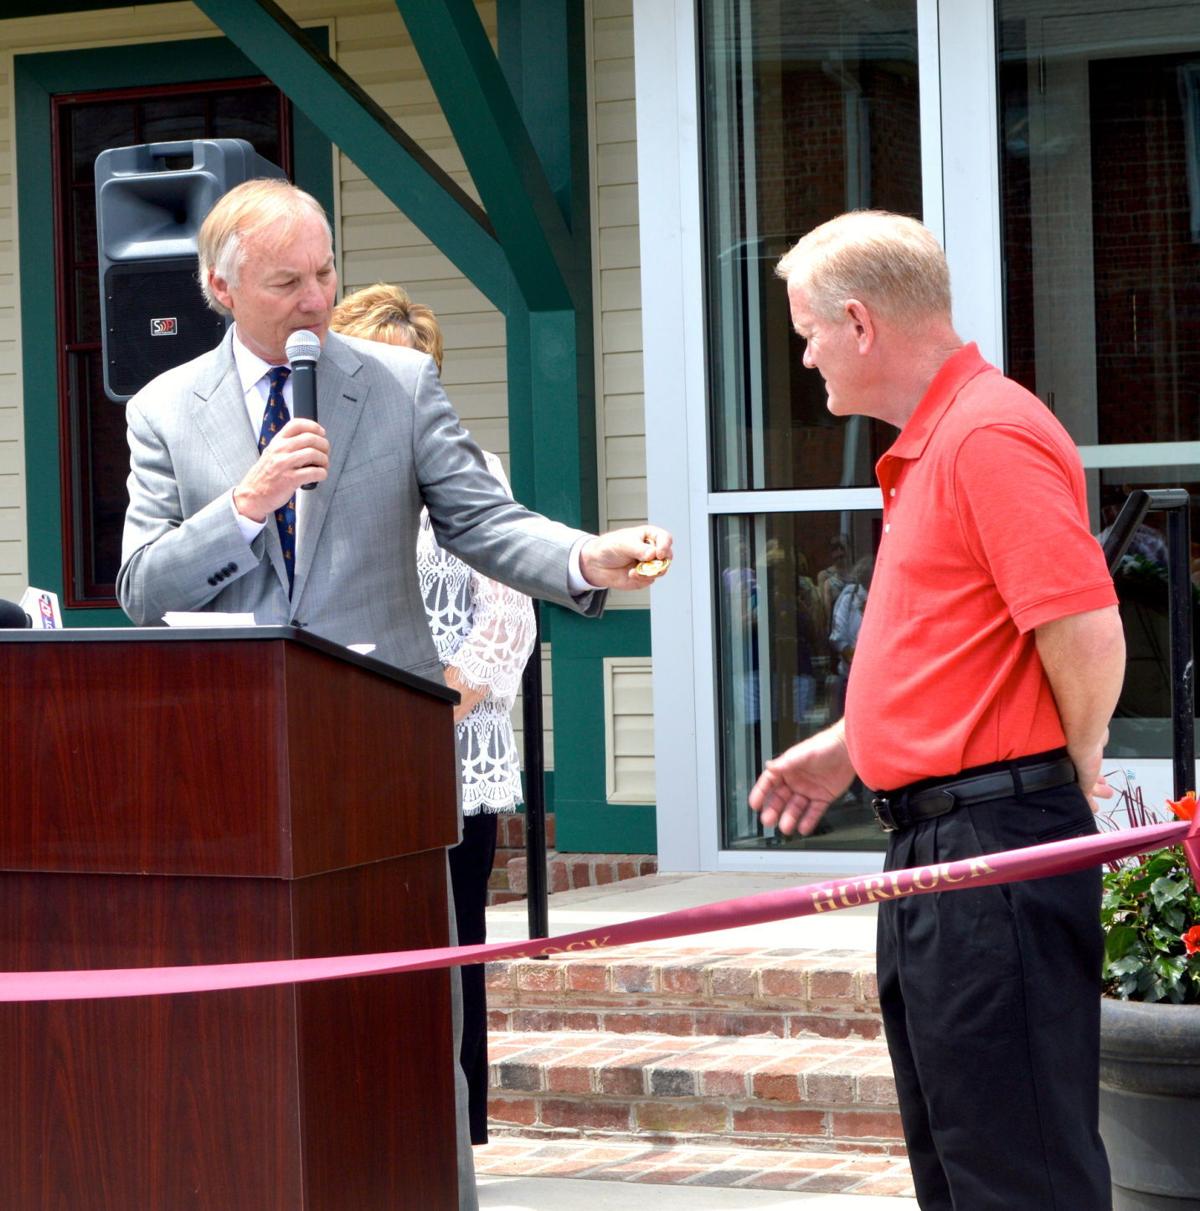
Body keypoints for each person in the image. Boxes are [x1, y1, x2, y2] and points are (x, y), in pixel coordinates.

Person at [116, 179, 672, 1211]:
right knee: (257, 1035)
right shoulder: (163, 409)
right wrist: (246, 504)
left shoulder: (399, 382)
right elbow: (142, 587)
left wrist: (584, 557)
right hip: (239, 778)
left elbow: (485, 522)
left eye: (325, 271)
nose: (316, 299)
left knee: (410, 1028)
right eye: (287, 282)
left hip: (382, 766)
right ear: (220, 288)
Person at [749, 211, 1124, 1210]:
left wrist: (1075, 758)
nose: (806, 356)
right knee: (960, 1164)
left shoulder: (986, 432)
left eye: (808, 332)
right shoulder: (941, 439)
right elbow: (966, 646)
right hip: (945, 845)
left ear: (859, 323)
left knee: (1017, 1173)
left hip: (993, 845)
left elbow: (1086, 628)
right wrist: (853, 744)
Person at [330, 282, 534, 1147]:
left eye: (415, 371)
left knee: (451, 952)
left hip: (447, 747)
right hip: (343, 750)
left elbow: (509, 608)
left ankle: (455, 1140)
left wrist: (439, 695)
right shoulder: (306, 466)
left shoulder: (469, 467)